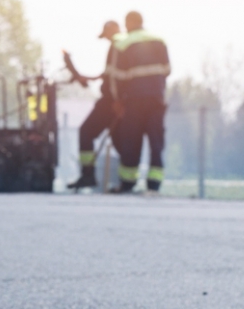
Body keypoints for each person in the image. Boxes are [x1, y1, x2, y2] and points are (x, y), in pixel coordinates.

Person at [109, 11, 171, 193]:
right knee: (156, 141)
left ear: (128, 23)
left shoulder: (122, 44)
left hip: (134, 101)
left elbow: (117, 77)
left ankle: (128, 182)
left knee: (131, 141)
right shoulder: (159, 40)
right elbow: (167, 70)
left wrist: (118, 100)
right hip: (156, 99)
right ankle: (154, 183)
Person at [66, 20, 121, 190]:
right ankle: (125, 182)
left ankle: (88, 175)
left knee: (86, 132)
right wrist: (87, 78)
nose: (106, 39)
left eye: (106, 35)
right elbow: (107, 75)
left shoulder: (118, 46)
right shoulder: (117, 47)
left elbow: (115, 78)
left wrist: (117, 100)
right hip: (115, 100)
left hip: (111, 101)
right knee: (120, 140)